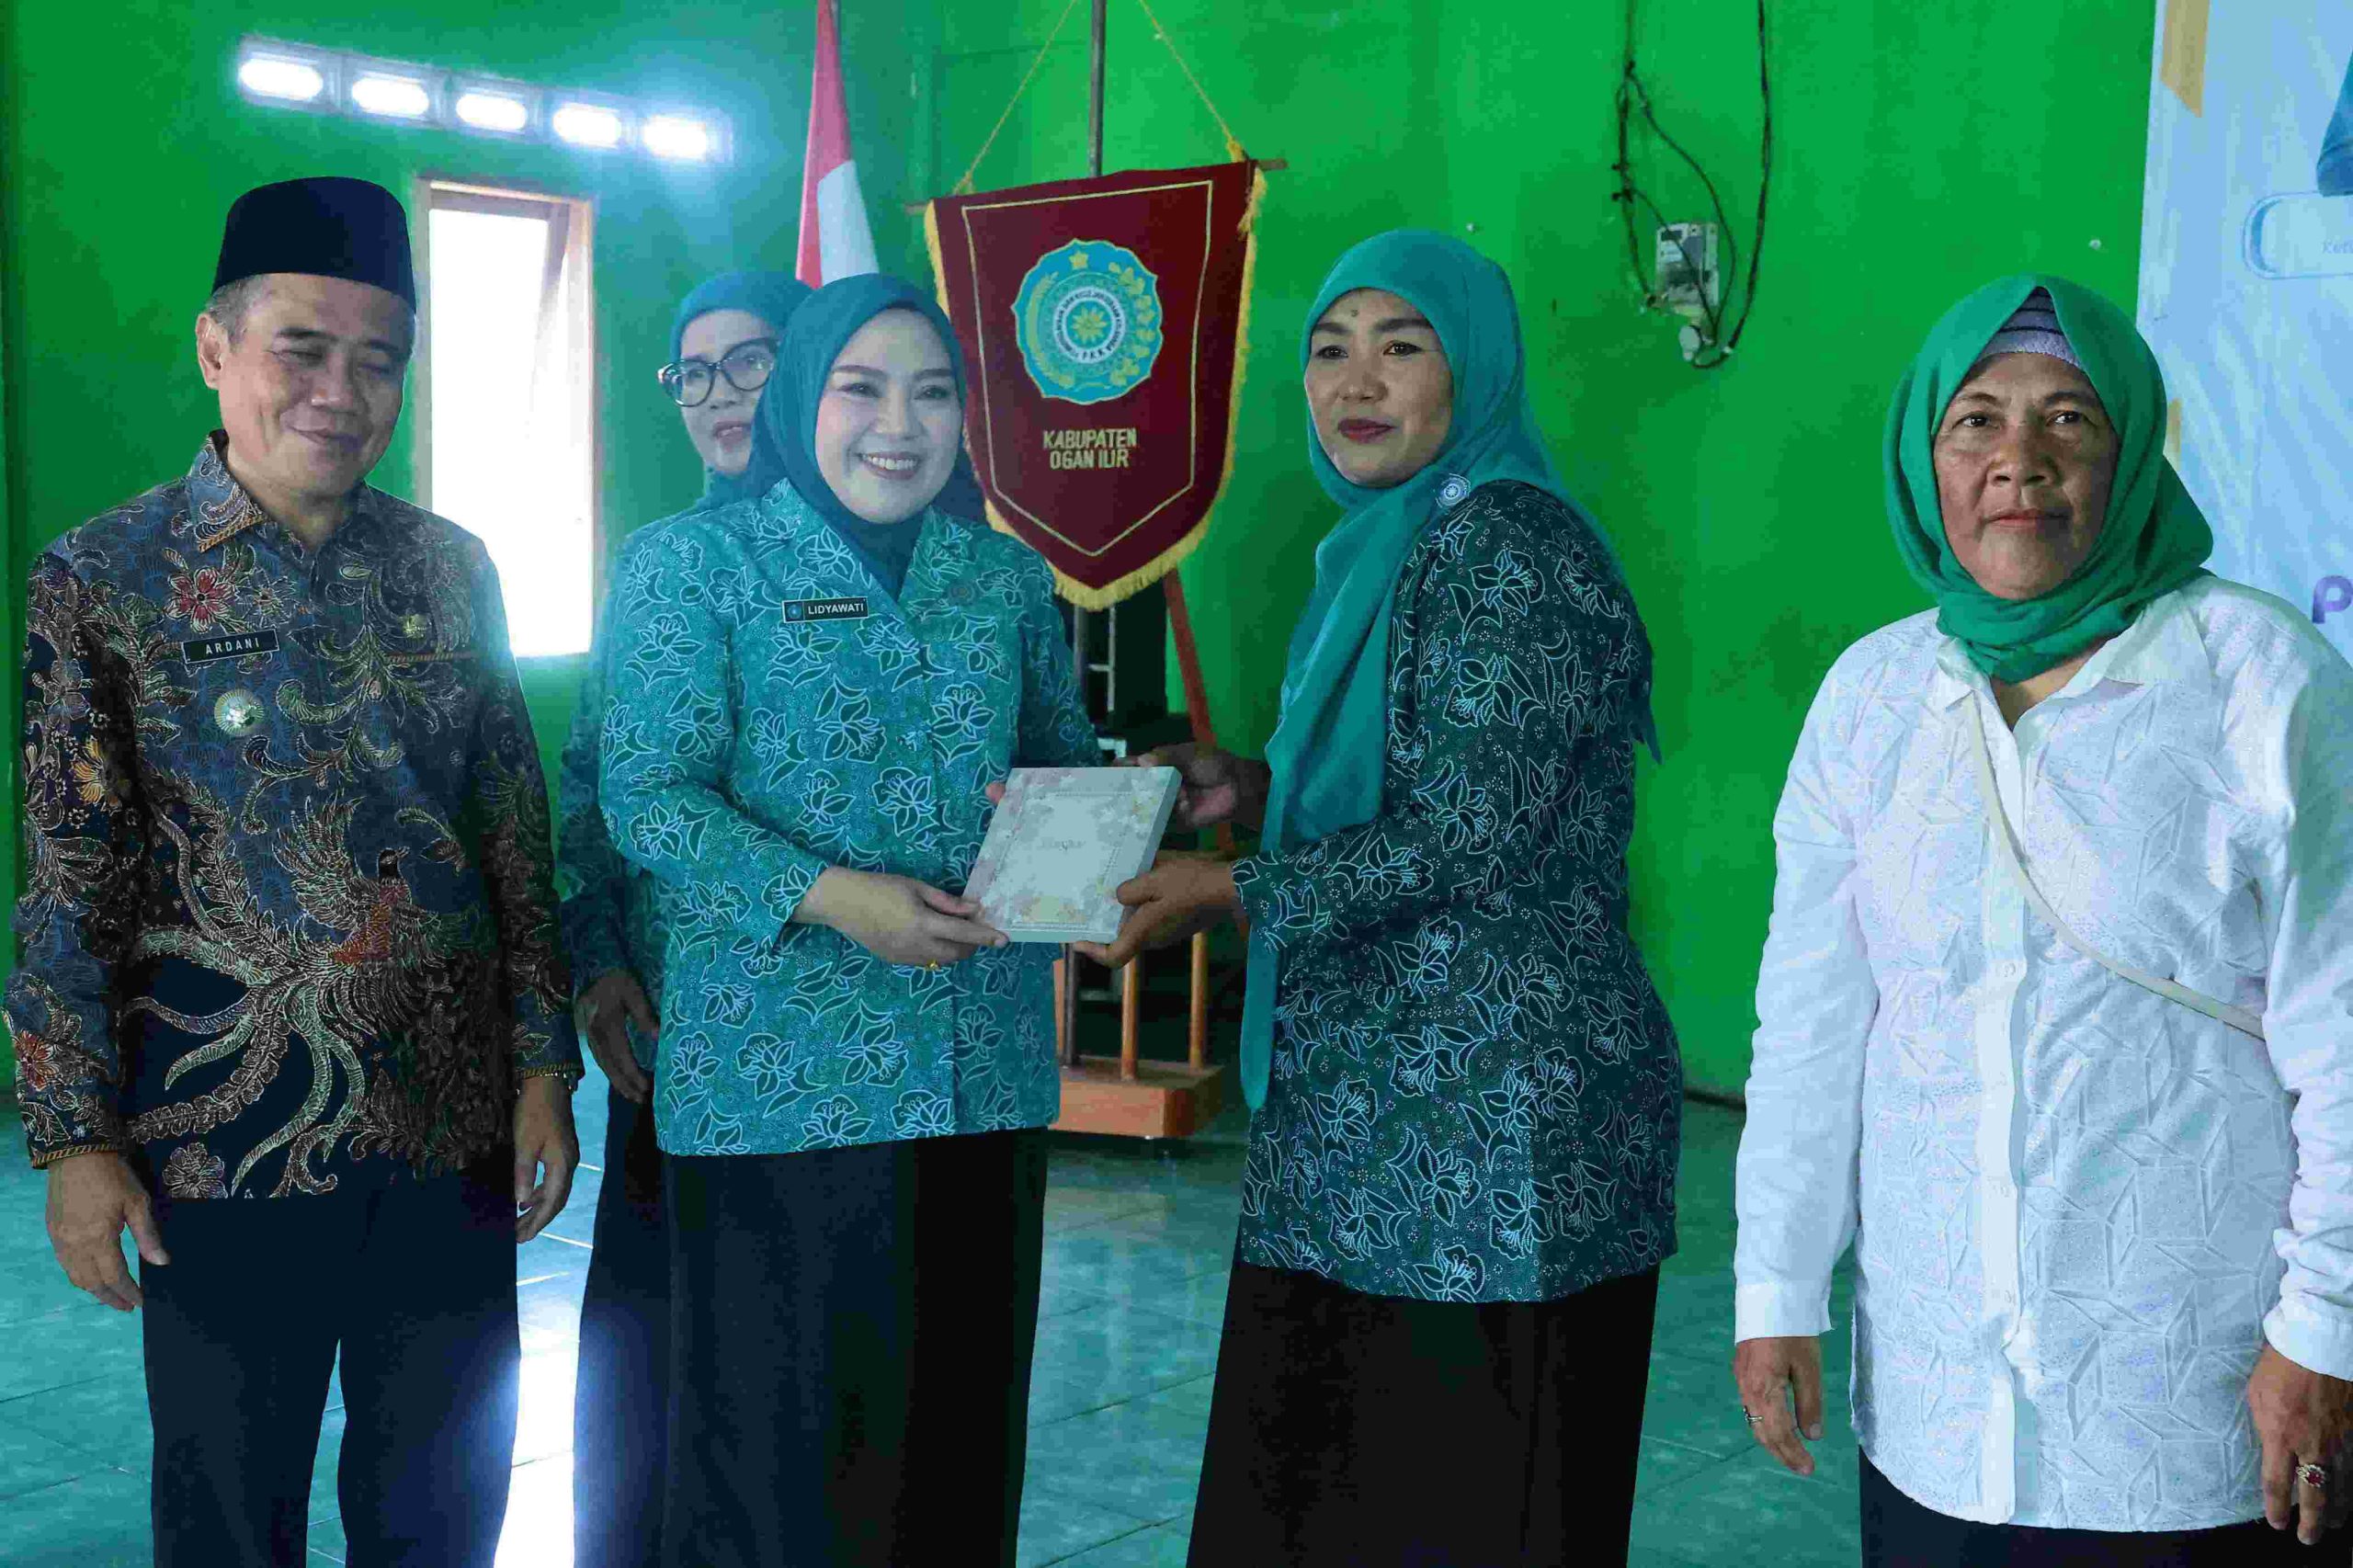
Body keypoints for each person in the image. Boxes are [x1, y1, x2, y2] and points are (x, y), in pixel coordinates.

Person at [1083, 230, 1682, 1566]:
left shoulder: (1508, 543)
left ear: (1474, 369)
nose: (1356, 381)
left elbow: (1467, 833)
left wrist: (1232, 890)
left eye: (1402, 347)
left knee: (1455, 1490)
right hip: (1373, 1104)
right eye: (1329, 349)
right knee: (1342, 1472)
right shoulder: (1384, 545)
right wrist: (1250, 785)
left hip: (1493, 1121)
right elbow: (1406, 779)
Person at [1733, 277, 2353, 1565]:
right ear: (1926, 459)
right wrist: (1776, 1287)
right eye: (1977, 420)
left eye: (2070, 417)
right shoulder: (1872, 699)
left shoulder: (2261, 680)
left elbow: (2347, 1035)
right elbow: (1810, 1031)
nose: (2020, 458)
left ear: (2131, 451)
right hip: (1940, 1408)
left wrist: (2326, 1330)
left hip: (2190, 1412)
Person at [8, 176, 579, 1567]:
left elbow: (511, 835)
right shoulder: (105, 578)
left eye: (379, 360)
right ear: (217, 349)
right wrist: (74, 1136)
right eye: (302, 349)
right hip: (219, 1140)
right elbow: (70, 879)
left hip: (447, 1132)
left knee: (443, 1495)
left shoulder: (451, 568)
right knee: (228, 1498)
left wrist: (542, 1066)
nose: (340, 391)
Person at [596, 272, 1098, 1568]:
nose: (898, 426)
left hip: (981, 1078)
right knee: (786, 1462)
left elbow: (1059, 760)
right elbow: (647, 796)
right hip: (783, 1084)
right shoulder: (693, 566)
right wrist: (834, 898)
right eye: (859, 389)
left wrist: (1090, 829)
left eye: (932, 393)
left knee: (955, 1447)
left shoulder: (1003, 574)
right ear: (800, 401)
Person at [561, 267, 808, 1568]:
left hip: (845, 1047)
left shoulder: (911, 558)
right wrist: (598, 961)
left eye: (751, 360)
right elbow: (592, 778)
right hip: (681, 1033)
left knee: (797, 1370)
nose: (721, 395)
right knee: (656, 1356)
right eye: (694, 372)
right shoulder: (660, 565)